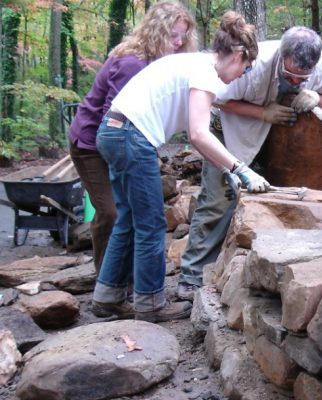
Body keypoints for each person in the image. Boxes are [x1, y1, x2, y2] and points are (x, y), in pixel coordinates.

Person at [91, 11, 268, 323]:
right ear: (238, 54)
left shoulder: (192, 64)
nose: (243, 74)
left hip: (112, 131)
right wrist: (242, 168)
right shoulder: (205, 72)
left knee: (129, 219)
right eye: (247, 66)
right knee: (151, 224)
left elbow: (195, 133)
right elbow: (199, 134)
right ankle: (150, 303)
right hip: (131, 135)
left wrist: (225, 168)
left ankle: (107, 296)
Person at [177, 26, 322, 300]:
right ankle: (192, 278)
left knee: (271, 198)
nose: (297, 82)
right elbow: (219, 100)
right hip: (229, 128)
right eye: (290, 75)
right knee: (217, 200)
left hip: (279, 134)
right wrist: (262, 112)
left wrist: (318, 98)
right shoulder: (254, 62)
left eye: (304, 78)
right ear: (281, 57)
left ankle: (251, 271)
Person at [69, 1, 198, 275]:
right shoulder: (132, 63)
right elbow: (113, 121)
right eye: (172, 35)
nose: (178, 42)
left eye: (182, 36)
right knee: (112, 212)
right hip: (91, 145)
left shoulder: (159, 63)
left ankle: (118, 281)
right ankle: (105, 279)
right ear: (155, 31)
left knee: (130, 211)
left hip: (119, 142)